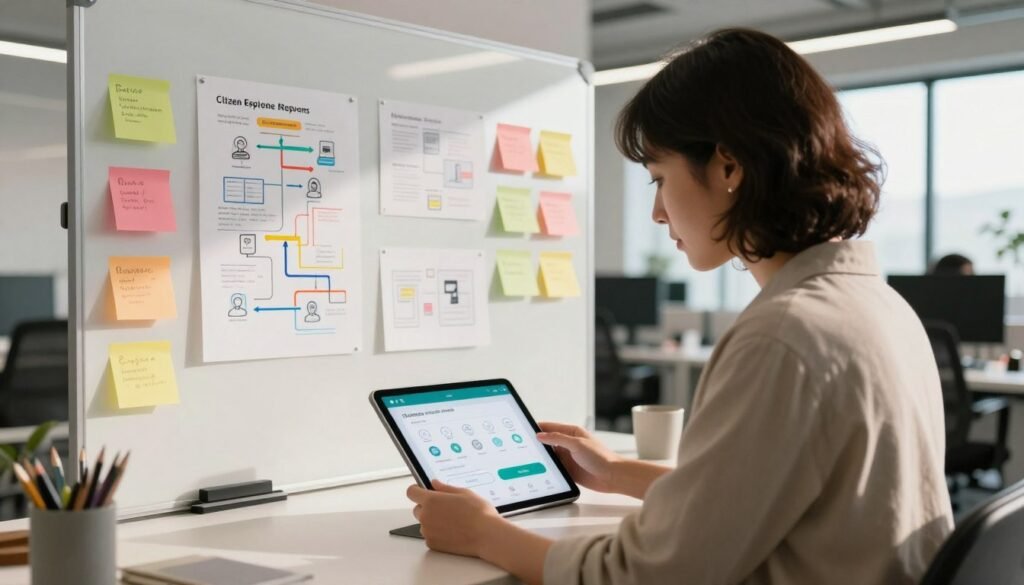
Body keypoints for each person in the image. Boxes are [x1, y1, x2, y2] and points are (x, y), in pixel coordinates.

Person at [406, 28, 953, 584]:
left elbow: (649, 576)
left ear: (730, 167)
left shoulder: (784, 336)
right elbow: (751, 498)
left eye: (660, 179)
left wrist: (483, 534)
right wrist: (618, 472)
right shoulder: (874, 304)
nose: (657, 213)